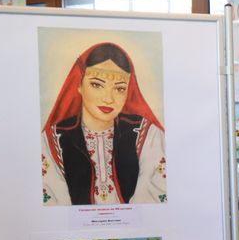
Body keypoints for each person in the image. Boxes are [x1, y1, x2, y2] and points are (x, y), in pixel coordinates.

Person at [41, 42, 166, 206]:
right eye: (96, 85)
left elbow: (155, 198)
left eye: (120, 89)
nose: (108, 98)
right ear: (79, 85)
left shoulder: (147, 134)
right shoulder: (53, 139)